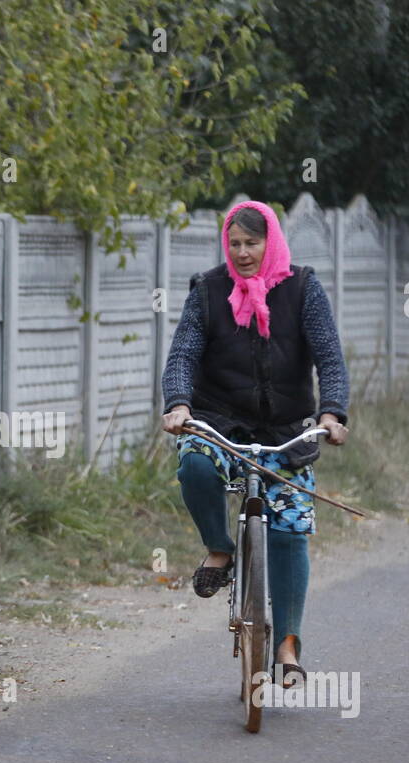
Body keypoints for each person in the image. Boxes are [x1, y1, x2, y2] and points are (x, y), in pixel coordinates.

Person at [160, 200, 350, 687]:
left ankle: (287, 646)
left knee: (289, 531)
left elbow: (329, 357)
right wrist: (179, 404)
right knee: (195, 466)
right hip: (217, 423)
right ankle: (219, 549)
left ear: (272, 242)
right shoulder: (208, 290)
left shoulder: (302, 288)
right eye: (235, 244)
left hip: (285, 432)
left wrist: (331, 413)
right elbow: (182, 353)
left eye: (252, 243)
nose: (243, 253)